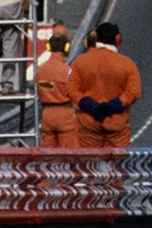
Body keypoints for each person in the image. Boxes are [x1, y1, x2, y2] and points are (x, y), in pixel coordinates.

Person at [70, 20, 142, 148]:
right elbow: (134, 92)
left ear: (96, 37)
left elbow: (71, 89)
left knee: (89, 164)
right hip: (117, 124)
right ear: (117, 39)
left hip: (88, 122)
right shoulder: (127, 64)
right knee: (116, 165)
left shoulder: (80, 62)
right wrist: (113, 105)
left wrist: (89, 106)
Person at [37, 32, 78, 147]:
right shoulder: (67, 70)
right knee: (68, 153)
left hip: (47, 114)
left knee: (48, 155)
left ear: (48, 47)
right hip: (65, 114)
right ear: (66, 48)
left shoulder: (40, 70)